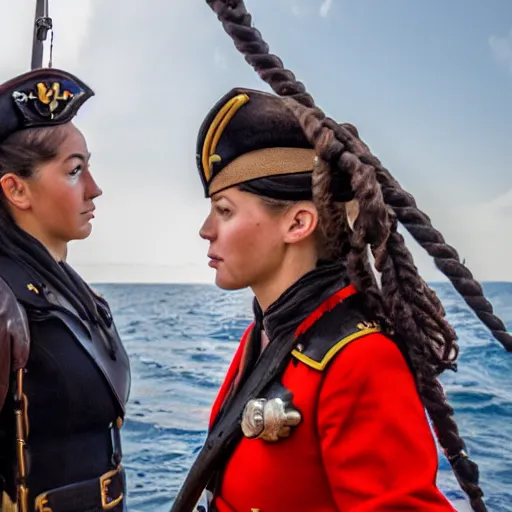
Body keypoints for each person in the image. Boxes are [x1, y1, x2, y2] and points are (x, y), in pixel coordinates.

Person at [170, 2, 512, 512]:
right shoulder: (269, 334)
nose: (205, 230)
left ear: (298, 222)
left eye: (223, 209)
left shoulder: (358, 361)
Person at [0, 67, 131, 512]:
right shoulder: (4, 301)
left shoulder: (71, 293)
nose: (94, 190)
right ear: (17, 189)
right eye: (75, 171)